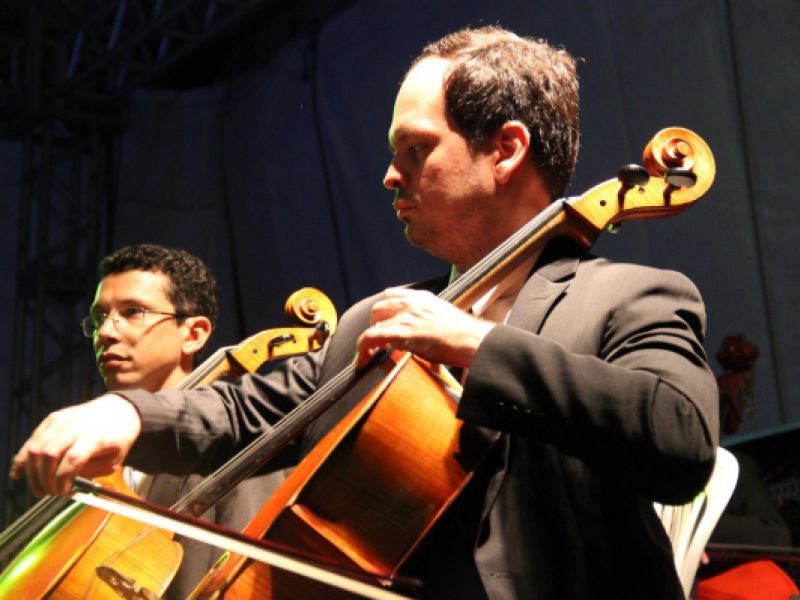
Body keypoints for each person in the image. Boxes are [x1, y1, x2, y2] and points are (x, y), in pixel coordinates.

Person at [10, 26, 719, 599]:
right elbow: (246, 410)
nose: (388, 175)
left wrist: (476, 344)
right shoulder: (375, 322)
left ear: (505, 150)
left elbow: (680, 438)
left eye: (415, 149)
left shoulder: (630, 296)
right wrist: (128, 416)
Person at [81, 243, 287, 599]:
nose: (106, 333)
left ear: (194, 334)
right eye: (100, 318)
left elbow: (248, 584)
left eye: (132, 312)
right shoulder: (101, 462)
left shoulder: (232, 439)